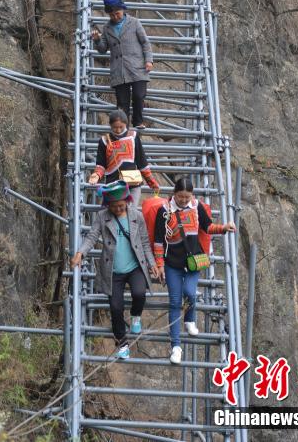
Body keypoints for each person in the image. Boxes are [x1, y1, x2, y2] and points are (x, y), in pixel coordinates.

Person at [153, 177, 236, 365]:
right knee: (174, 303)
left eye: (187, 197)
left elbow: (207, 227)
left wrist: (224, 228)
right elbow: (158, 241)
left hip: (193, 261)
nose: (183, 200)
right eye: (180, 196)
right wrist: (159, 265)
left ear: (192, 195)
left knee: (190, 293)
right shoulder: (164, 212)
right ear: (174, 193)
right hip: (172, 263)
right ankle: (175, 346)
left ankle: (190, 319)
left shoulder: (197, 207)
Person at [71, 181, 158, 359]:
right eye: (114, 207)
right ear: (108, 206)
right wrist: (80, 252)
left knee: (140, 293)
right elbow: (92, 236)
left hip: (135, 267)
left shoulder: (136, 216)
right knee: (115, 307)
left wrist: (152, 263)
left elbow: (144, 242)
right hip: (113, 270)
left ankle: (135, 316)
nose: (118, 210)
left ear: (127, 201)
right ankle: (122, 343)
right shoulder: (103, 216)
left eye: (121, 206)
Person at [92, 0, 153, 129]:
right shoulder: (107, 28)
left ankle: (138, 122)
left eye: (117, 13)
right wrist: (97, 40)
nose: (115, 17)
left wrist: (149, 60)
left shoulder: (135, 22)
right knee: (122, 102)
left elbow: (145, 43)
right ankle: (122, 127)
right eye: (112, 15)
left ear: (123, 10)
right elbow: (103, 49)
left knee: (138, 95)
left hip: (137, 67)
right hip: (119, 70)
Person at [88, 109, 159, 207]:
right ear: (110, 126)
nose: (118, 130)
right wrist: (97, 175)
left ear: (126, 124)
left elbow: (141, 161)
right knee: (113, 213)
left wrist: (151, 181)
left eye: (121, 127)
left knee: (131, 213)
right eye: (114, 127)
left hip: (133, 183)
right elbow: (101, 164)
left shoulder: (133, 137)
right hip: (113, 185)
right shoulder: (104, 141)